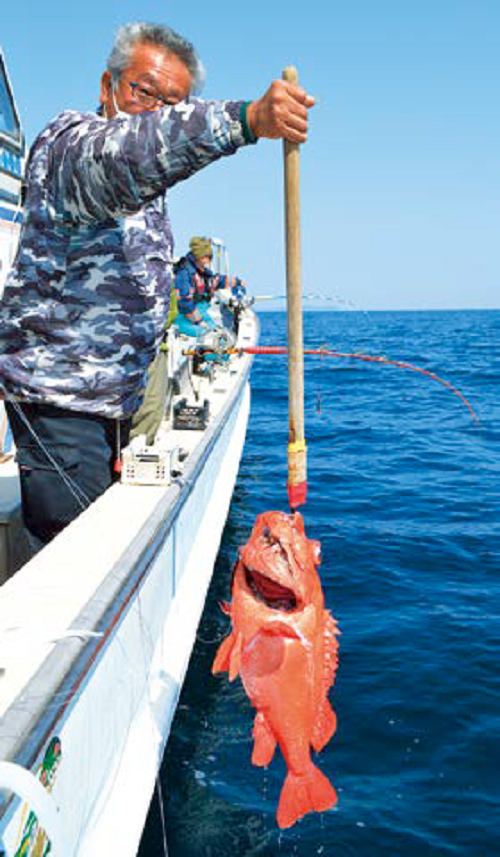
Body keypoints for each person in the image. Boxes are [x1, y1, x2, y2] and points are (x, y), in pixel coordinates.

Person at [0, 21, 314, 551]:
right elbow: (129, 154)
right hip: (62, 401)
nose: (154, 112)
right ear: (107, 87)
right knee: (73, 555)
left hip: (114, 396)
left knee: (103, 532)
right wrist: (245, 120)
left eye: (173, 104)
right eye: (143, 91)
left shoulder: (148, 188)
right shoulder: (69, 146)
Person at [174, 236, 218, 336]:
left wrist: (236, 282)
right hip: (184, 317)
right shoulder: (184, 274)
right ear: (200, 257)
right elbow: (184, 302)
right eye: (208, 257)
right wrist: (198, 321)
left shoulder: (201, 272)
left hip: (200, 311)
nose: (209, 261)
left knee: (216, 332)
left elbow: (215, 281)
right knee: (207, 335)